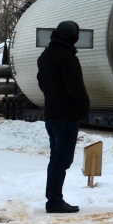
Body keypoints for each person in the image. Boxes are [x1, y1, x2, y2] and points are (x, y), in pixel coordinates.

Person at [37, 20, 90, 213]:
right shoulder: (67, 58)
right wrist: (84, 107)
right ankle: (54, 201)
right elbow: (75, 88)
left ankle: (54, 198)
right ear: (72, 37)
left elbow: (42, 84)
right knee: (61, 161)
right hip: (66, 115)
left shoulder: (45, 56)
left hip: (51, 114)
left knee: (57, 159)